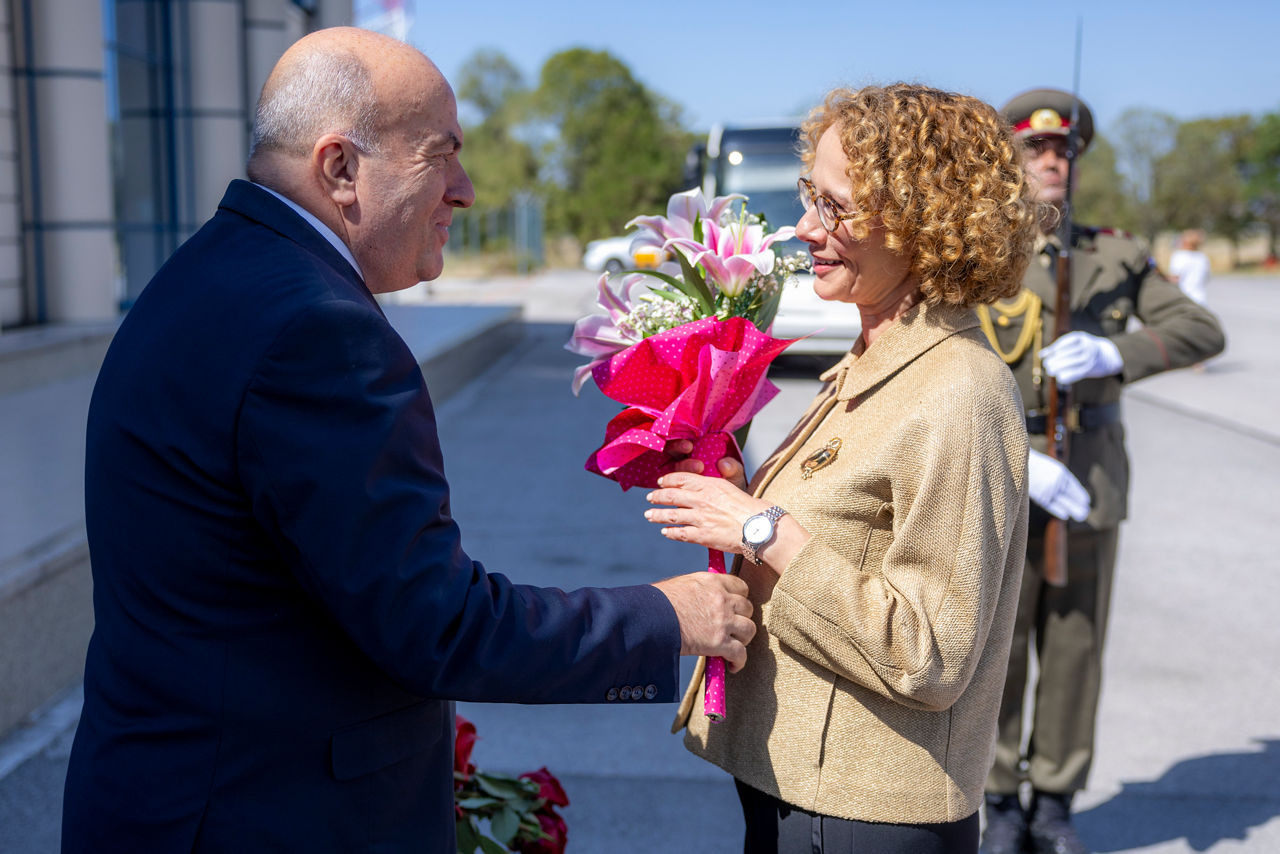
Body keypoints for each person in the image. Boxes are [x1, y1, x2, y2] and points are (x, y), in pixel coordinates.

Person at [62, 27, 756, 854]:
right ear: (339, 168)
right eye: (441, 155)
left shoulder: (214, 272)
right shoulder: (314, 329)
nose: (464, 190)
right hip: (261, 816)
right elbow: (432, 623)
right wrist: (664, 616)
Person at [646, 84, 1036, 853]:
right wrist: (736, 483)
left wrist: (761, 527)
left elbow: (929, 655)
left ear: (927, 224)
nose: (804, 230)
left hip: (866, 814)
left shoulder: (958, 388)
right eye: (809, 198)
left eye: (838, 209)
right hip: (802, 790)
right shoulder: (877, 360)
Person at [979, 89, 1226, 854]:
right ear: (1012, 161)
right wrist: (1022, 462)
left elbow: (1199, 328)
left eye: (1064, 152)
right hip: (1002, 470)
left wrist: (1118, 353)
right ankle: (998, 794)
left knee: (1077, 641)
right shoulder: (981, 251)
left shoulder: (1113, 254)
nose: (1052, 162)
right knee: (999, 645)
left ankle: (1054, 797)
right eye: (1036, 150)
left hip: (1090, 472)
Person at [1169, 228, 1211, 306]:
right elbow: (1206, 278)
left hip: (1184, 300)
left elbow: (1175, 279)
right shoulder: (1203, 257)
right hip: (1200, 299)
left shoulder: (1179, 256)